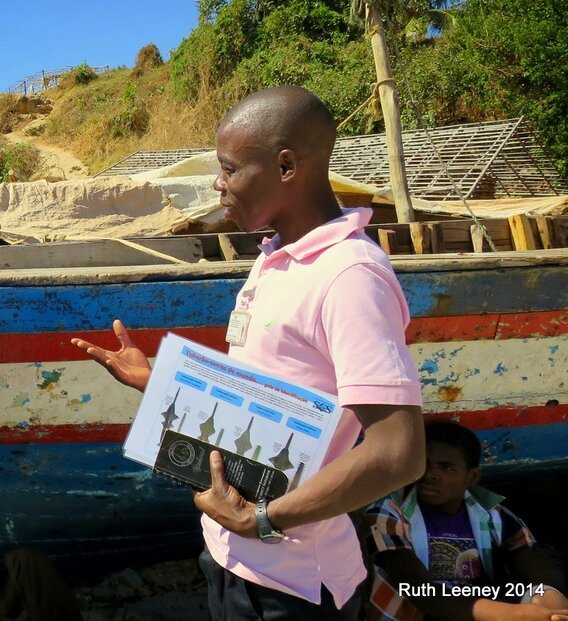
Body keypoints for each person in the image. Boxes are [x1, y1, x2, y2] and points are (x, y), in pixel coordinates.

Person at [71, 85, 426, 620]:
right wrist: (159, 383)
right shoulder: (277, 256)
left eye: (230, 169)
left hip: (292, 583)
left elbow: (398, 452)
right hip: (233, 556)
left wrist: (265, 520)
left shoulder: (349, 276)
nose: (218, 183)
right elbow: (268, 392)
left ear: (286, 166)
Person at [364, 420, 568, 621]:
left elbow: (539, 570)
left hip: (478, 609)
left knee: (546, 596)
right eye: (424, 464)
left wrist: (551, 603)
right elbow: (420, 592)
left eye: (446, 467)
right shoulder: (389, 512)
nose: (431, 474)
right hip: (419, 612)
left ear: (472, 476)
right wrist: (512, 614)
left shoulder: (494, 516)